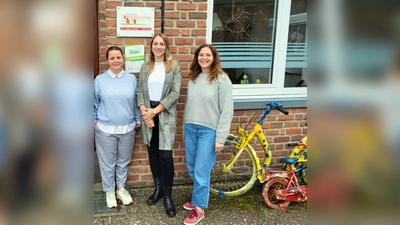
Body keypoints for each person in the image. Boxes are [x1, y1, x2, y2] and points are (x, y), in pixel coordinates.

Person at [182, 44, 233, 225]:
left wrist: (220, 138)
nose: (204, 58)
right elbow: (188, 105)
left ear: (214, 58)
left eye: (207, 55)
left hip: (208, 131)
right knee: (192, 167)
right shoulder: (193, 78)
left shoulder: (222, 79)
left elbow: (227, 111)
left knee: (202, 170)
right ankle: (197, 197)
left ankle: (199, 208)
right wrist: (184, 128)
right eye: (201, 55)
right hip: (191, 129)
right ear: (197, 58)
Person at [136, 33, 182, 217]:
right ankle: (158, 189)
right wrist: (145, 112)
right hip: (148, 111)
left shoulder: (174, 66)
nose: (158, 47)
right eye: (155, 43)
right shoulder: (146, 65)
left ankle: (168, 196)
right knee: (153, 152)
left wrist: (155, 112)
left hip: (165, 113)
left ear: (166, 46)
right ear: (151, 46)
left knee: (165, 155)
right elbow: (139, 90)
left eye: (161, 44)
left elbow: (175, 92)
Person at [94, 46, 141, 208]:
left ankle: (121, 189)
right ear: (107, 60)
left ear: (123, 59)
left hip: (128, 127)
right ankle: (109, 191)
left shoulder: (131, 79)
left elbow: (136, 102)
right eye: (112, 58)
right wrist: (94, 120)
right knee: (108, 162)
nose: (116, 61)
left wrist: (138, 118)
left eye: (118, 57)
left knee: (123, 161)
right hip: (105, 129)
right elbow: (92, 103)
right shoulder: (99, 80)